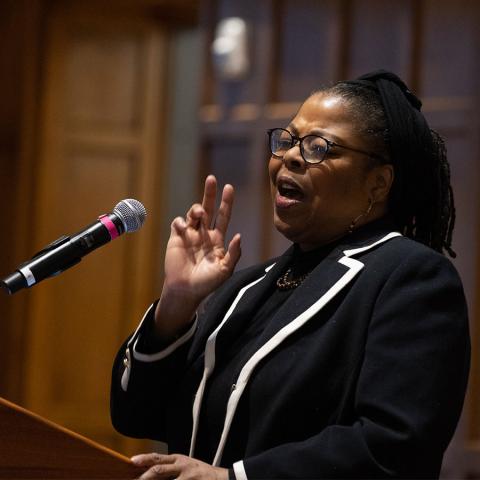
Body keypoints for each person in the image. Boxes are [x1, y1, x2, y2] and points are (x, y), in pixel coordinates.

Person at [110, 70, 470, 479]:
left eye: (319, 147)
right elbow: (135, 417)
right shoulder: (246, 288)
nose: (292, 156)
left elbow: (394, 447)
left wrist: (234, 479)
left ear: (378, 182)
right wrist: (175, 304)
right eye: (287, 139)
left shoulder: (410, 279)